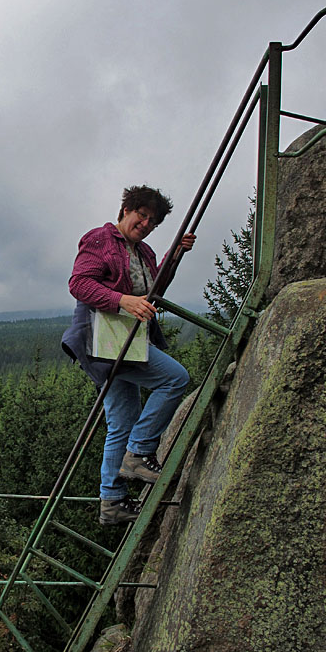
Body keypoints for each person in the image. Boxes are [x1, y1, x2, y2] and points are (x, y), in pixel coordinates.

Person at [62, 185, 196, 525]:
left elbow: (155, 290)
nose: (146, 223)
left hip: (125, 343)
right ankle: (138, 453)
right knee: (174, 378)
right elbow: (79, 284)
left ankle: (112, 502)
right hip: (105, 342)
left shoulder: (145, 252)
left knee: (121, 421)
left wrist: (175, 255)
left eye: (153, 221)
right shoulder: (100, 240)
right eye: (142, 215)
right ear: (126, 210)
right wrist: (123, 301)